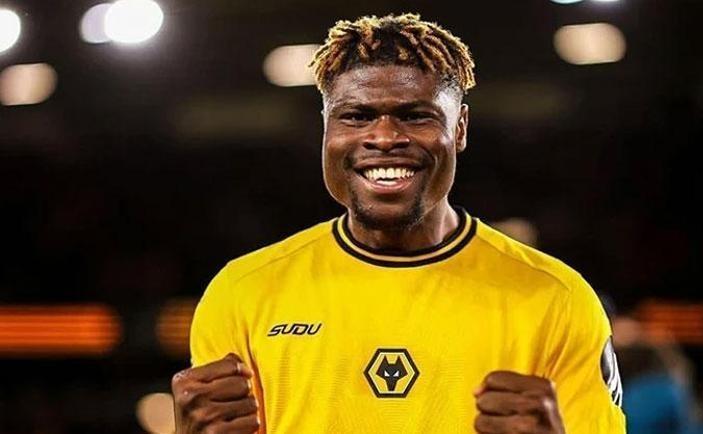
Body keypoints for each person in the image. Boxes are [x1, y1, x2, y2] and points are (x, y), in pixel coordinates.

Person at [171, 13, 626, 434]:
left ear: (460, 128)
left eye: (415, 116)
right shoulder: (242, 294)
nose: (385, 137)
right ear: (326, 128)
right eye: (357, 116)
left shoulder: (557, 300)